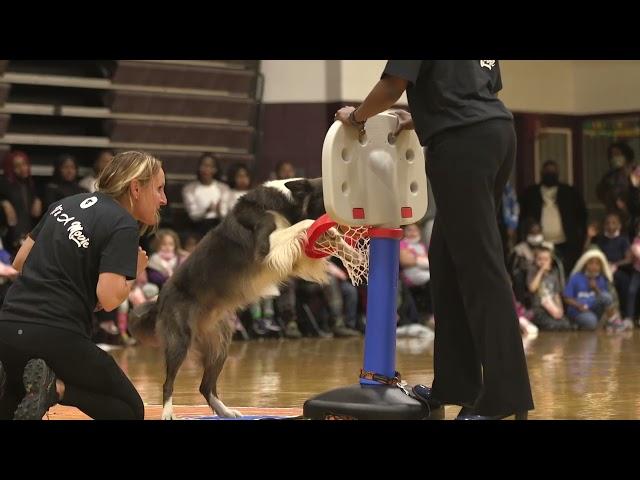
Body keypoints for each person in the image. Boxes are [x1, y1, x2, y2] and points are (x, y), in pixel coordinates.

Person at [334, 60, 533, 420]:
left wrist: (357, 117)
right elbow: (477, 88)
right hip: (496, 133)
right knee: (447, 262)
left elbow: (393, 86)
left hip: (462, 144)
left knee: (480, 269)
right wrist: (422, 117)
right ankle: (456, 386)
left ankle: (505, 398)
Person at [0, 151, 167, 420]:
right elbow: (109, 298)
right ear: (136, 188)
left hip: (7, 328)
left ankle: (10, 383)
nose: (164, 199)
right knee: (130, 410)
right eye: (159, 188)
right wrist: (133, 273)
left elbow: (20, 261)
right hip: (55, 335)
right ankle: (56, 389)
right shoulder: (122, 223)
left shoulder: (66, 203)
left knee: (13, 403)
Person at [519, 160, 587, 273]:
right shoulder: (530, 193)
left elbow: (581, 216)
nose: (550, 173)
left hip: (565, 244)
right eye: (547, 171)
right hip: (538, 243)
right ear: (541, 172)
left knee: (565, 271)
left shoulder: (570, 192)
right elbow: (523, 218)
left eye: (553, 171)